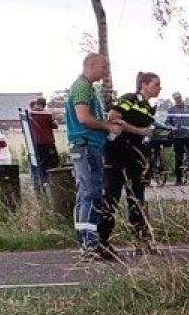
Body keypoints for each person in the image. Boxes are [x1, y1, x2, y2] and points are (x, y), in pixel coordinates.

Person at [64, 53, 116, 257]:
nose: (106, 71)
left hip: (87, 144)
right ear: (91, 65)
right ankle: (90, 243)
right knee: (92, 192)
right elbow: (84, 117)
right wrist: (107, 126)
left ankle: (84, 239)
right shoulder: (83, 87)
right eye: (104, 66)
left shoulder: (87, 88)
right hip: (86, 144)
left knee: (85, 192)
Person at [102, 72, 162, 250]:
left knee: (137, 197)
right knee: (111, 195)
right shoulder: (129, 99)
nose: (159, 88)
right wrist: (139, 131)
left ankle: (141, 239)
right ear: (144, 84)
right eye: (156, 84)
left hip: (136, 156)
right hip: (118, 153)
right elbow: (113, 118)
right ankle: (102, 240)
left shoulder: (149, 108)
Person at [22, 97, 58, 191]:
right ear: (44, 104)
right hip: (48, 142)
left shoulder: (29, 114)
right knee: (50, 163)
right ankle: (49, 184)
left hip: (34, 143)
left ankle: (38, 184)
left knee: (37, 164)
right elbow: (54, 126)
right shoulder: (47, 114)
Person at [164, 92, 189, 184]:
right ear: (174, 100)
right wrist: (172, 127)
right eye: (176, 98)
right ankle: (179, 179)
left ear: (182, 97)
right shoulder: (171, 110)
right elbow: (167, 122)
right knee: (178, 157)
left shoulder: (188, 108)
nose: (178, 100)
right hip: (178, 136)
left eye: (179, 98)